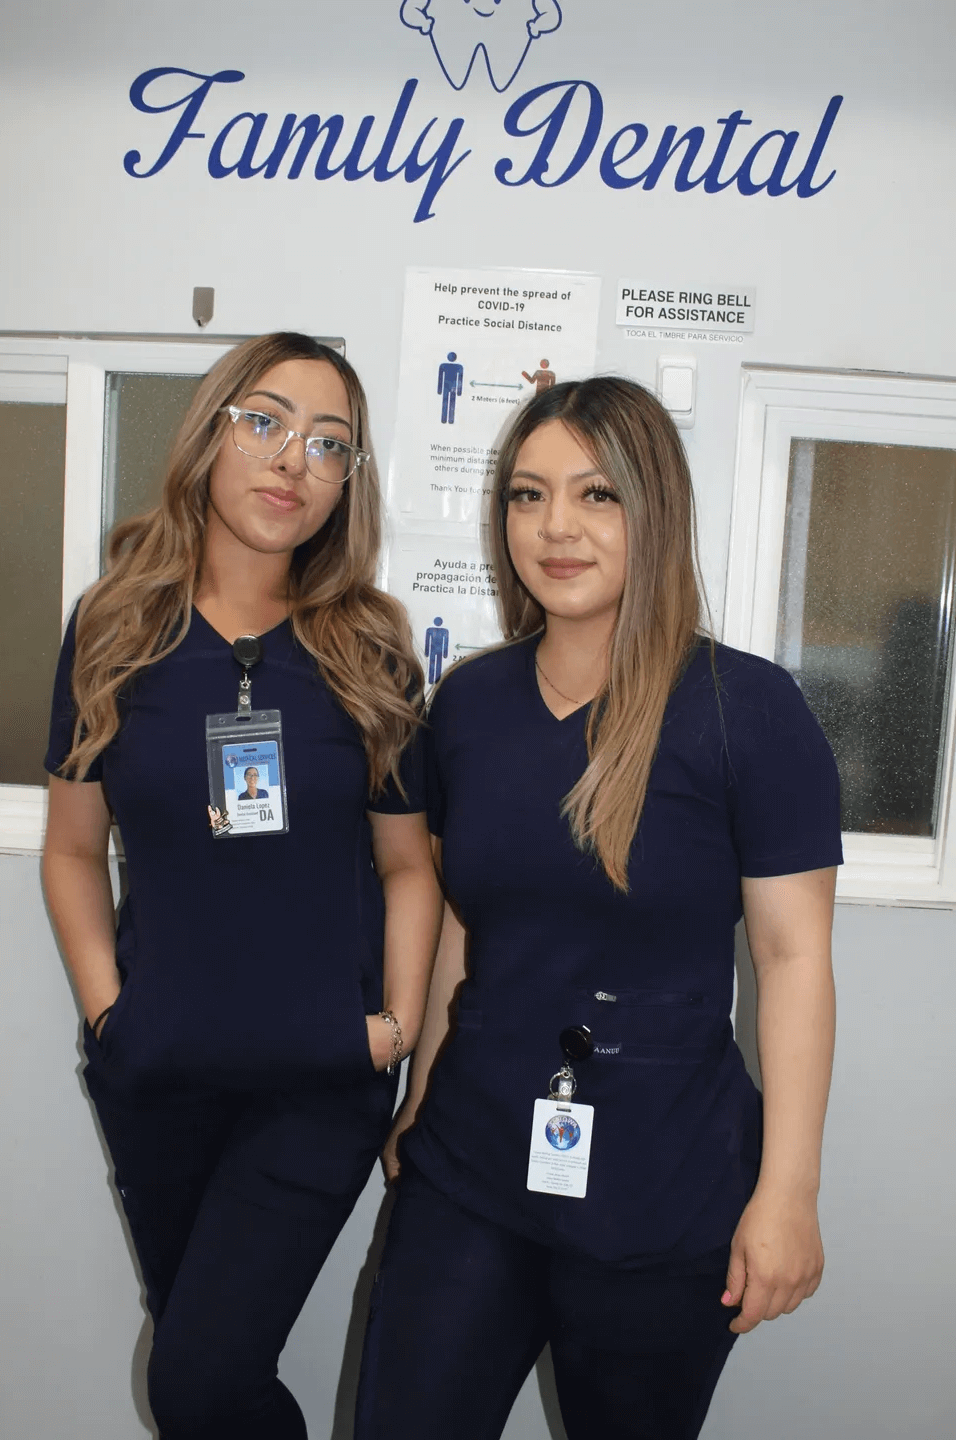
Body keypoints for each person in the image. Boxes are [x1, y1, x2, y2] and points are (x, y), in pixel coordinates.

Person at [355, 376, 842, 1440]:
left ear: (652, 510)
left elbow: (793, 957)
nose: (555, 527)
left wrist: (788, 1192)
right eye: (526, 497)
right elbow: (464, 925)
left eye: (595, 495)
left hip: (663, 1180)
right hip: (472, 1160)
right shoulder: (470, 707)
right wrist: (420, 1099)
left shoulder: (745, 712)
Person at [41, 332, 443, 1440]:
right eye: (264, 422)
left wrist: (395, 1028)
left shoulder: (372, 651)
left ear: (346, 484)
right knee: (207, 1378)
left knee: (193, 1381)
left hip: (318, 1076)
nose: (291, 461)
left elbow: (411, 867)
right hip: (159, 1068)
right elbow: (72, 849)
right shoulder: (112, 627)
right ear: (211, 433)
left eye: (329, 445)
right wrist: (107, 1014)